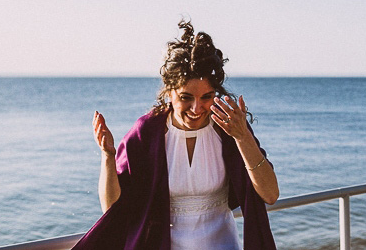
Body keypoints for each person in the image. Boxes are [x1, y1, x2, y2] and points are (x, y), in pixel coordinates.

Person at [73, 20, 279, 249]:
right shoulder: (147, 133)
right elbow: (112, 210)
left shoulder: (230, 128)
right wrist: (108, 157)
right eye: (186, 97)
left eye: (207, 97)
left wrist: (243, 138)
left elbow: (270, 194)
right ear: (169, 92)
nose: (197, 108)